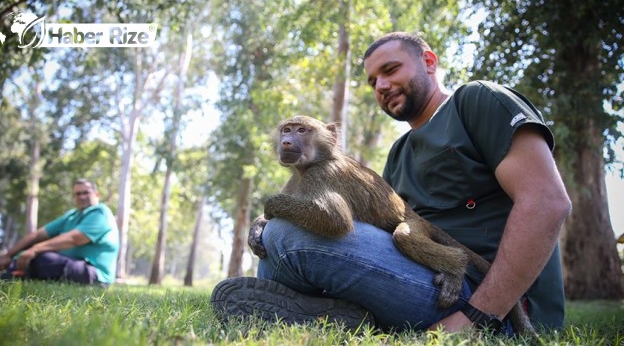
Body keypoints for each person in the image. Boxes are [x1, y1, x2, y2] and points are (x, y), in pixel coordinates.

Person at [211, 32, 572, 334]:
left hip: (488, 300)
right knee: (271, 243)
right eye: (372, 81)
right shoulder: (399, 152)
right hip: (417, 276)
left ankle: (321, 317)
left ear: (429, 62)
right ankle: (323, 317)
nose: (381, 85)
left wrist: (476, 317)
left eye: (391, 69)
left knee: (285, 235)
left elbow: (548, 203)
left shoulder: (476, 101)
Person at [0, 178, 120, 286]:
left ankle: (18, 275)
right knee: (31, 251)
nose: (82, 197)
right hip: (70, 263)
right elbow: (37, 235)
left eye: (86, 192)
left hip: (95, 273)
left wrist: (35, 249)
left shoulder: (101, 213)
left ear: (96, 194)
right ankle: (14, 272)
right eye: (78, 194)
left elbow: (75, 238)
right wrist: (9, 255)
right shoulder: (71, 215)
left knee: (43, 257)